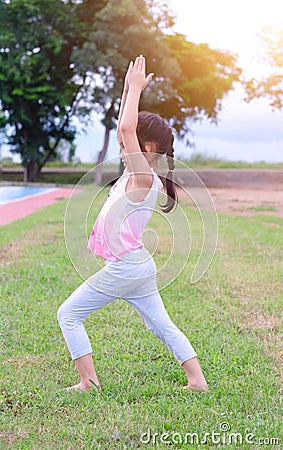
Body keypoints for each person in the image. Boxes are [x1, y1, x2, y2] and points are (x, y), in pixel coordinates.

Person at [57, 55, 207, 392]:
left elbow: (126, 129)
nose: (123, 145)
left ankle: (88, 382)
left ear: (147, 148)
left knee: (68, 314)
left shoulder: (143, 177)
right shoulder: (133, 173)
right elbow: (127, 128)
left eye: (129, 143)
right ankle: (197, 381)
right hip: (138, 266)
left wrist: (137, 88)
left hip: (126, 268)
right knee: (162, 326)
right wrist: (128, 89)